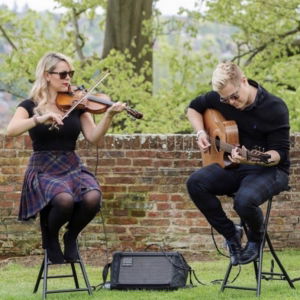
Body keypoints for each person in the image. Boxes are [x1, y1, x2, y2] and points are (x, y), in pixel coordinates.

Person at [6, 52, 126, 264]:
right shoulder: (29, 105)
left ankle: (71, 236)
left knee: (92, 198)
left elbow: (94, 139)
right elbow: (11, 130)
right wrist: (40, 118)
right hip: (43, 167)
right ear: (47, 75)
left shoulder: (78, 105)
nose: (68, 78)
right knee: (64, 200)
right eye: (62, 74)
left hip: (71, 164)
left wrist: (108, 116)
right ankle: (50, 238)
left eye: (70, 73)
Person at [186, 61, 290, 266]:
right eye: (226, 99)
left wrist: (251, 158)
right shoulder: (222, 98)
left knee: (243, 200)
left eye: (234, 96)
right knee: (195, 183)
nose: (231, 102)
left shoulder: (274, 107)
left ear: (243, 81)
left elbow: (279, 153)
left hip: (271, 171)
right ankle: (231, 234)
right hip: (235, 167)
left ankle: (255, 240)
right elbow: (193, 108)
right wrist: (200, 132)